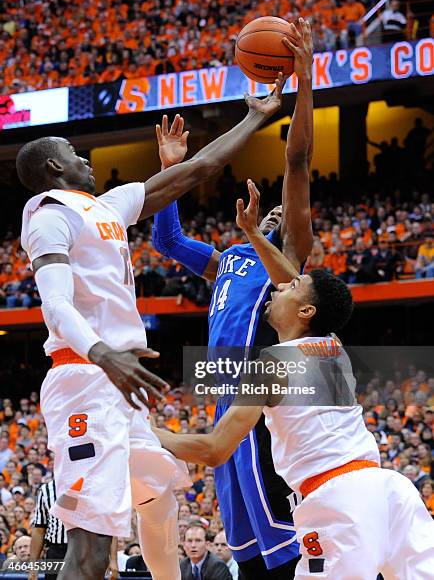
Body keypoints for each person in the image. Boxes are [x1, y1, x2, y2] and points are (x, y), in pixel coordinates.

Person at [16, 79, 284, 580]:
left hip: (122, 385)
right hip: (86, 377)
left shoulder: (108, 206)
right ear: (55, 167)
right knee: (92, 549)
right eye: (76, 153)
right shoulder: (48, 214)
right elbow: (54, 303)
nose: (87, 159)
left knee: (159, 502)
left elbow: (199, 169)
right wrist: (102, 353)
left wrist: (254, 118)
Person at [156, 182, 434, 579]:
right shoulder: (331, 345)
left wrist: (146, 433)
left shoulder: (273, 356)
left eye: (293, 284)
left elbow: (215, 448)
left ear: (303, 305)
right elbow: (170, 240)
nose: (285, 284)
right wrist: (176, 176)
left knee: (274, 549)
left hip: (335, 493)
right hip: (386, 489)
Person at [153, 19, 313, 579]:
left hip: (259, 390)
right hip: (222, 392)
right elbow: (166, 240)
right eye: (266, 212)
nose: (273, 214)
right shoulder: (228, 258)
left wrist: (305, 83)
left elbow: (297, 167)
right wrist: (171, 169)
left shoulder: (287, 262)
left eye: (280, 215)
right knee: (247, 551)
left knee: (282, 548)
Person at [28, 479, 67, 580]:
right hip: (56, 550)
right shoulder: (46, 489)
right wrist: (33, 565)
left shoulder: (89, 484)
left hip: (84, 549)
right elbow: (39, 529)